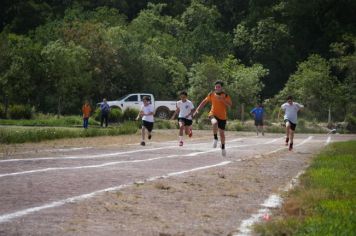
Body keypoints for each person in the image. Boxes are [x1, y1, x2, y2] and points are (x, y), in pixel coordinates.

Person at [193, 80, 232, 157]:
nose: (217, 88)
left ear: (221, 88)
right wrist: (197, 110)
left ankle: (223, 147)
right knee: (214, 123)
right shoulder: (211, 94)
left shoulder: (225, 95)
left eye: (219, 86)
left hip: (222, 116)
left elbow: (230, 105)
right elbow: (204, 102)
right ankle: (215, 138)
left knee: (222, 134)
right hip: (213, 113)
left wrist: (222, 100)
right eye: (216, 86)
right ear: (214, 87)